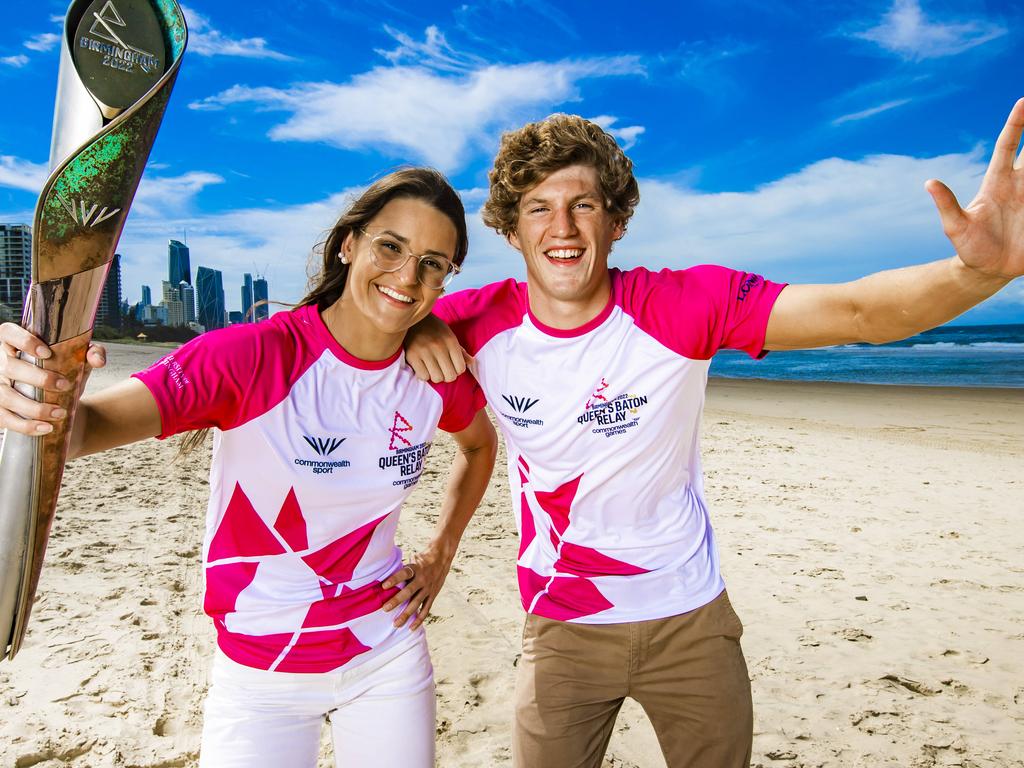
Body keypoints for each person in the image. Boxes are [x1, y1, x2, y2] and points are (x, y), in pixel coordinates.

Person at [400, 103, 1024, 767]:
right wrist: (414, 321)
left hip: (690, 621)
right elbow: (343, 333)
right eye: (538, 208)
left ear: (615, 222)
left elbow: (858, 311)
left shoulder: (685, 303)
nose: (562, 227)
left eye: (583, 205)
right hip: (562, 629)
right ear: (510, 229)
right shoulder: (473, 321)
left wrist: (981, 273)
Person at [0, 168, 497, 767]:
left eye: (433, 263)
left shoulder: (436, 376)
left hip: (386, 654)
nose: (407, 276)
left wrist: (441, 552)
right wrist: (38, 391)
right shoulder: (250, 355)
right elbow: (85, 430)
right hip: (261, 672)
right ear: (350, 243)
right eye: (390, 247)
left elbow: (479, 447)